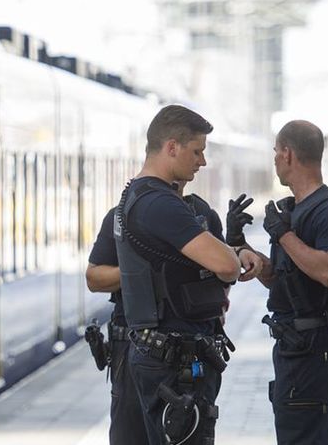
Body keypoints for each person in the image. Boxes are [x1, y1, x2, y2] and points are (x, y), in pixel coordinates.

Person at [115, 104, 261, 445]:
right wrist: (232, 256)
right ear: (171, 147)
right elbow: (226, 267)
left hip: (161, 353)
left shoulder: (136, 197)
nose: (203, 161)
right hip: (174, 363)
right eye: (197, 151)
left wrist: (232, 250)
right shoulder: (160, 204)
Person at [234, 120, 328, 445]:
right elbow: (283, 280)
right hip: (294, 345)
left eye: (276, 152)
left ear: (287, 154)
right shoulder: (295, 211)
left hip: (315, 348)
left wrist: (284, 235)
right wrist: (243, 248)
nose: (274, 159)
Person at [85, 182, 230, 445]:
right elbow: (94, 277)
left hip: (189, 350)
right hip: (131, 345)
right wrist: (143, 270)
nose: (200, 163)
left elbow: (224, 274)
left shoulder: (203, 216)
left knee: (185, 432)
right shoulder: (123, 217)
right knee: (130, 436)